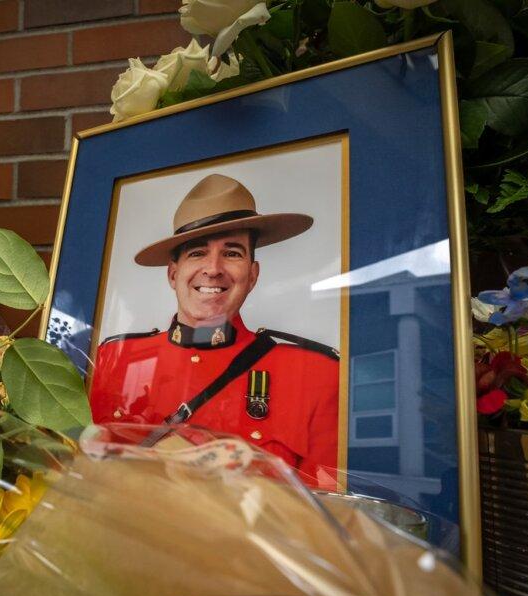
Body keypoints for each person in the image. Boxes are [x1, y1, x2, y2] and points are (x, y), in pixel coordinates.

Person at [89, 174, 340, 483]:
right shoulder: (114, 359)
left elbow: (326, 511)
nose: (213, 268)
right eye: (197, 252)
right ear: (173, 274)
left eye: (232, 253)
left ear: (252, 275)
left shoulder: (316, 373)